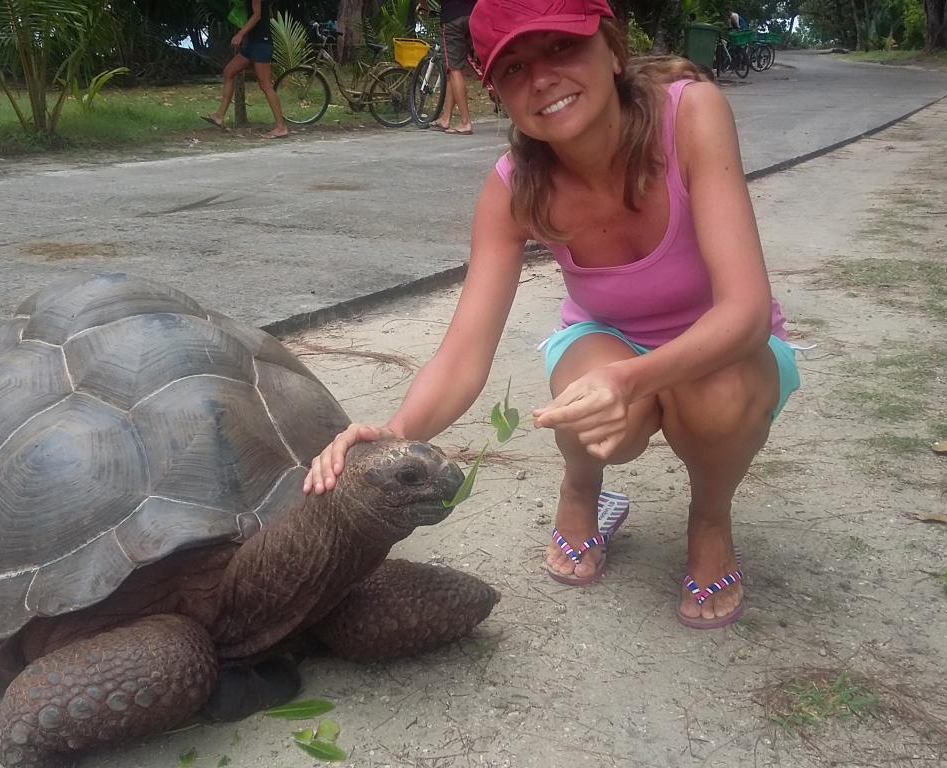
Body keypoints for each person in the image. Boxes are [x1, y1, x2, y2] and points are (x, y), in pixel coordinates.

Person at [304, 0, 800, 630]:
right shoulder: (513, 188)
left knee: (717, 393)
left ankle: (709, 517)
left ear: (612, 49)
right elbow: (463, 354)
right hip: (610, 339)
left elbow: (745, 310)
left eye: (562, 48)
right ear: (500, 97)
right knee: (587, 410)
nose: (542, 78)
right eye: (514, 68)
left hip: (728, 346)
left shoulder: (690, 113)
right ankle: (582, 486)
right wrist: (395, 432)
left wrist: (631, 381)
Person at [201, 0, 288, 139]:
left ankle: (281, 126)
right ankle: (219, 115)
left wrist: (240, 34)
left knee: (265, 85)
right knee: (228, 72)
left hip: (261, 43)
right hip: (252, 44)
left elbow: (257, 15)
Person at [419, 0, 477, 135]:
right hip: (473, 16)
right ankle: (446, 117)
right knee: (454, 70)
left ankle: (465, 121)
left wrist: (424, 6)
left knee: (454, 69)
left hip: (453, 19)